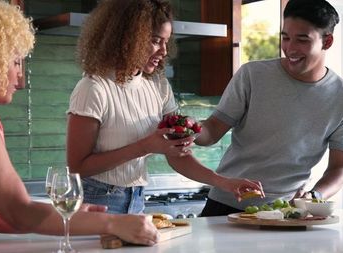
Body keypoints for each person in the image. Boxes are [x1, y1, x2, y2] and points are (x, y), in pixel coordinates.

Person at [0, 1, 159, 251]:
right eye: (15, 62)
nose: (20, 75)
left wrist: (76, 218)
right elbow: (17, 210)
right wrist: (112, 222)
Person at [66, 0, 263, 214]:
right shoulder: (94, 88)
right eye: (155, 41)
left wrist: (225, 183)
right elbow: (77, 166)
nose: (164, 51)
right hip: (96, 201)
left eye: (166, 42)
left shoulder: (157, 85)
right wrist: (145, 146)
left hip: (137, 199)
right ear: (126, 39)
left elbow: (178, 155)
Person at [195, 0, 343, 216]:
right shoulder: (252, 75)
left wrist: (315, 196)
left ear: (327, 41)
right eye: (285, 38)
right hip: (226, 205)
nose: (290, 48)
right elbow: (211, 132)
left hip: (286, 212)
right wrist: (188, 128)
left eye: (302, 40)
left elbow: (340, 167)